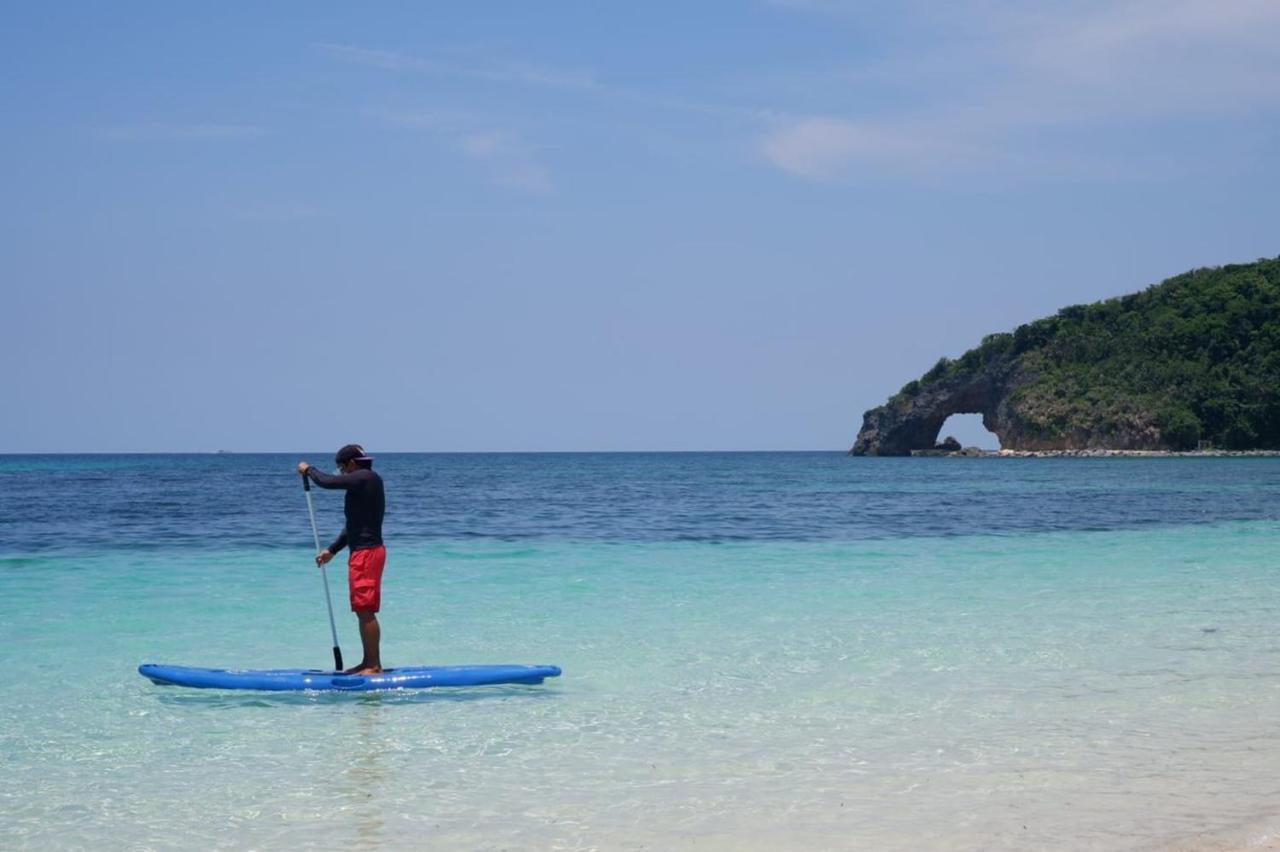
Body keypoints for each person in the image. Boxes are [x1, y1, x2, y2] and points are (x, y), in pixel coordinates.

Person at [297, 444, 386, 674]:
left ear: (351, 464)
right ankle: (368, 662)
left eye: (341, 468)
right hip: (362, 552)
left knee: (365, 609)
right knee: (361, 608)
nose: (341, 473)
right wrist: (332, 550)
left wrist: (309, 470)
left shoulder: (365, 477)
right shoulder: (363, 483)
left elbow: (326, 482)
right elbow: (353, 526)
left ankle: (374, 665)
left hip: (367, 553)